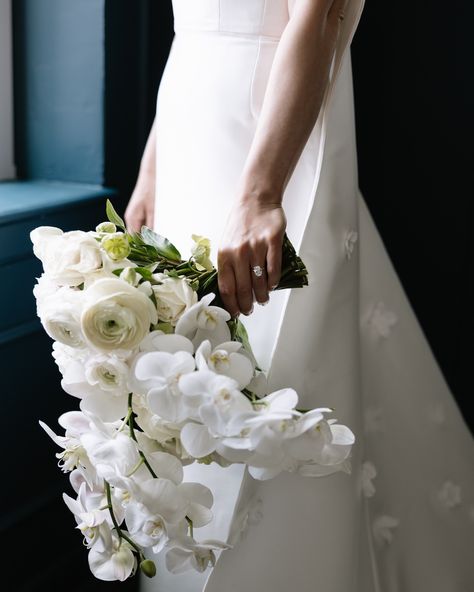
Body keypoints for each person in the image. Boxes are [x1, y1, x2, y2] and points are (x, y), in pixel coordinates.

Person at [125, 1, 474, 591]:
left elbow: (315, 19)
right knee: (186, 380)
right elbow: (192, 35)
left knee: (273, 380)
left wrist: (260, 193)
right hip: (191, 138)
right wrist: (150, 173)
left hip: (263, 141)